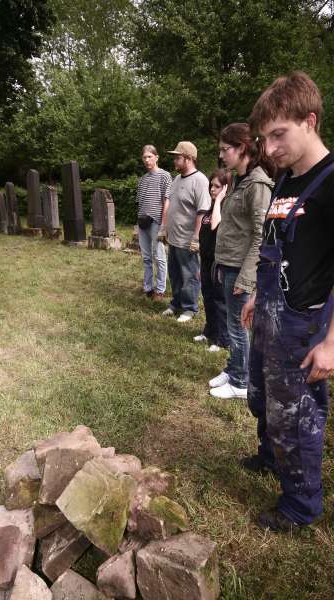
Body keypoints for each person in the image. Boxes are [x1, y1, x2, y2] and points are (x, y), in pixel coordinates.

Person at [241, 71, 334, 532]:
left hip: (303, 326)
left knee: (297, 418)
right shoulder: (284, 184)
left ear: (310, 121)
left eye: (279, 135)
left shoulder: (331, 183)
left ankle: (300, 506)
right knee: (262, 397)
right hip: (269, 314)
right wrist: (258, 295)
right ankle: (269, 457)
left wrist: (332, 343)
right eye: (264, 139)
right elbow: (275, 246)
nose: (270, 148)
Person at [209, 123, 275, 399]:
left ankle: (241, 382)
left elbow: (262, 236)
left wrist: (247, 277)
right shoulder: (239, 179)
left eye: (226, 150)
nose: (222, 156)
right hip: (227, 263)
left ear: (242, 148)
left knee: (238, 327)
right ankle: (233, 366)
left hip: (240, 269)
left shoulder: (257, 185)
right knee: (230, 322)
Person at [159, 141, 211, 322]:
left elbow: (202, 211)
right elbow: (170, 204)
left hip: (188, 239)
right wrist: (164, 228)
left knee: (189, 275)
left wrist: (196, 238)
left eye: (177, 157)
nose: (174, 161)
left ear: (188, 158)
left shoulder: (200, 181)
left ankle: (189, 308)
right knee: (174, 273)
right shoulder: (176, 179)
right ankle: (176, 303)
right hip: (174, 238)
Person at [194, 168, 232, 351]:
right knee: (207, 297)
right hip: (206, 261)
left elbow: (216, 224)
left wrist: (219, 200)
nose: (212, 189)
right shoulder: (210, 208)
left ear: (226, 188)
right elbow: (205, 236)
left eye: (217, 186)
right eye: (211, 185)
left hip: (220, 262)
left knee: (220, 300)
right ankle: (209, 331)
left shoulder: (225, 208)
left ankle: (222, 339)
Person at [136, 145, 172, 300]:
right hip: (142, 222)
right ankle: (148, 287)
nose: (147, 160)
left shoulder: (165, 176)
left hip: (156, 221)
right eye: (144, 157)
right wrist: (137, 223)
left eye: (150, 156)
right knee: (146, 257)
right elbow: (140, 203)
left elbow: (167, 201)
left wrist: (163, 225)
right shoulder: (142, 179)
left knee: (159, 256)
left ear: (157, 157)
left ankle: (160, 290)